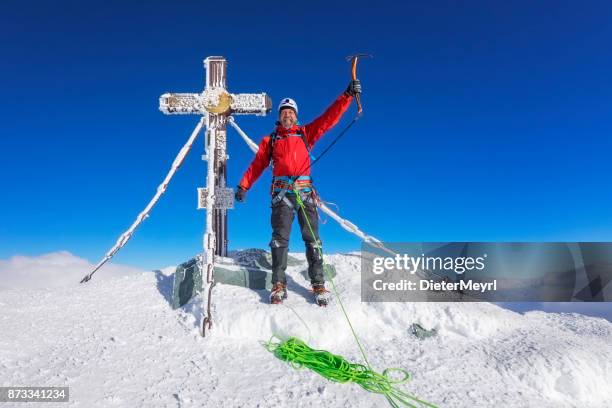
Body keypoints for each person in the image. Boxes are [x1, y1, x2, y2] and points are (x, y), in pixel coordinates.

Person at [235, 80, 362, 305]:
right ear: (279, 116)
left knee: (313, 240)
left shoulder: (306, 134)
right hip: (281, 194)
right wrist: (244, 185)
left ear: (296, 115)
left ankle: (318, 284)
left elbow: (328, 119)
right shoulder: (270, 141)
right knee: (279, 240)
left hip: (304, 192)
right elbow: (257, 165)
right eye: (284, 112)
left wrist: (347, 96)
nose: (287, 116)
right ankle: (278, 285)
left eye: (290, 112)